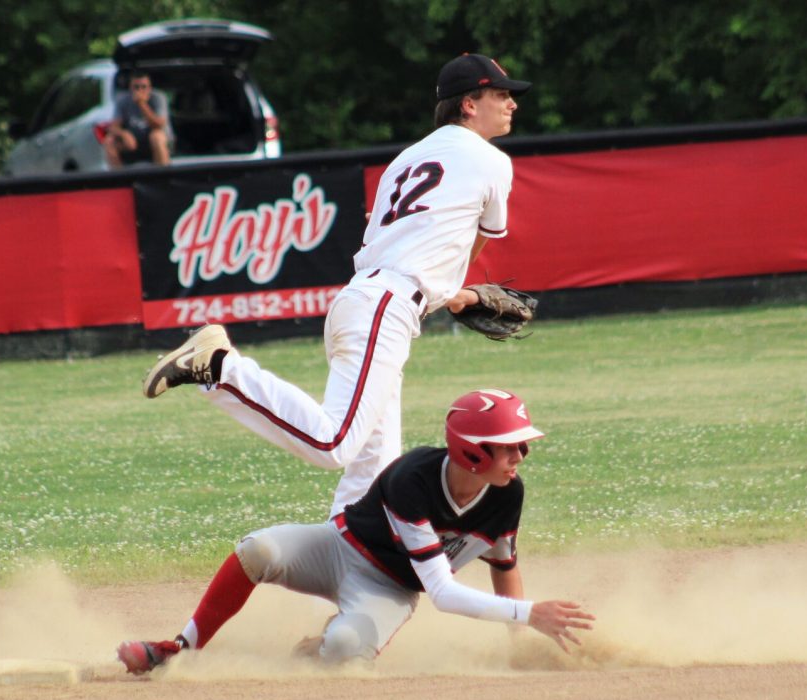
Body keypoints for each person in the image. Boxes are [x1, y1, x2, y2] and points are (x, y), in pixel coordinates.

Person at [142, 53, 530, 518]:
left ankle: (348, 556)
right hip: (385, 308)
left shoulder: (405, 160)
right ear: (469, 104)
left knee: (374, 477)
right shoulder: (491, 160)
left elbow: (408, 248)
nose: (511, 104)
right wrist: (457, 289)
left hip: (368, 300)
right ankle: (221, 367)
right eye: (501, 94)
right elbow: (470, 246)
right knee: (334, 443)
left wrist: (455, 294)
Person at [117, 389, 595, 673]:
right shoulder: (413, 479)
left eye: (521, 447)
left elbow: (503, 564)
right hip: (338, 548)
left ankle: (320, 646)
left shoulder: (508, 494)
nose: (520, 456)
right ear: (473, 452)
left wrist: (518, 643)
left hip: (389, 589)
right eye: (509, 447)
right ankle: (179, 649)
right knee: (257, 549)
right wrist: (529, 613)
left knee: (344, 651)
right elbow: (444, 594)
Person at [103, 71, 173, 168]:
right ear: (130, 88)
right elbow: (113, 127)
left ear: (149, 88)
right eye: (136, 87)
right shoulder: (123, 100)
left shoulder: (158, 98)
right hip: (133, 143)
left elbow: (158, 125)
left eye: (144, 87)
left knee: (156, 136)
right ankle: (118, 176)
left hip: (155, 143)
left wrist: (142, 104)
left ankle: (162, 173)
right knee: (109, 141)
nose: (140, 90)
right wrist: (124, 134)